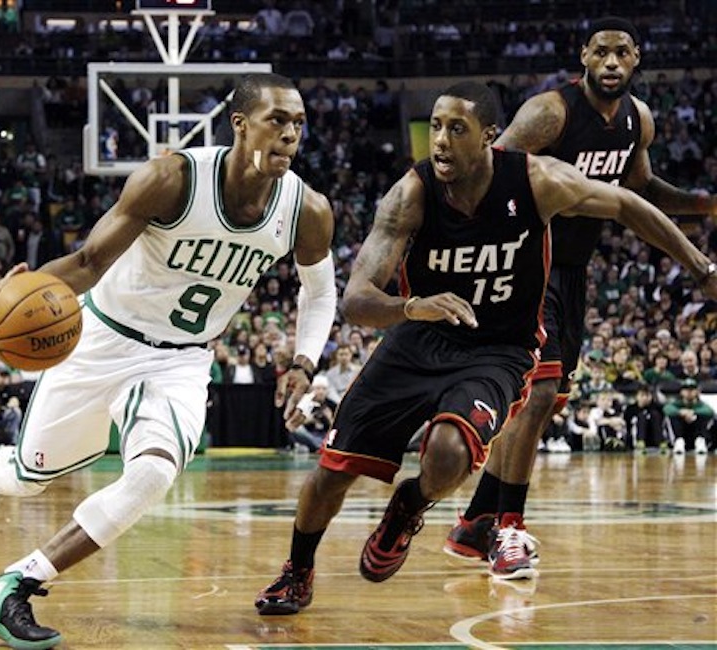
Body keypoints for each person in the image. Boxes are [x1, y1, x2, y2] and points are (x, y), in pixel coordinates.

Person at [254, 81, 717, 616]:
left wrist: (702, 268)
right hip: (417, 339)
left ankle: (411, 503)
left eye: (457, 129)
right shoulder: (411, 194)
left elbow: (627, 205)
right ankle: (298, 571)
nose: (442, 141)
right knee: (332, 471)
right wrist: (411, 307)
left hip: (498, 348)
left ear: (491, 138)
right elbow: (357, 297)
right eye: (436, 127)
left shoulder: (537, 181)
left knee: (450, 452)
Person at [0, 73, 336, 649]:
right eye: (277, 120)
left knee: (152, 473)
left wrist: (304, 361)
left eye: (298, 123)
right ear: (241, 124)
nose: (290, 134)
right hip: (103, 338)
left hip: (180, 361)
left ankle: (15, 585)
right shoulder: (173, 178)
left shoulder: (307, 209)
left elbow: (319, 291)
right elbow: (90, 259)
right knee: (29, 476)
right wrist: (12, 292)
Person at [444, 16, 717, 578]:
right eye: (601, 53)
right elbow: (489, 172)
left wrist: (704, 205)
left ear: (637, 58)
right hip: (525, 267)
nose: (612, 63)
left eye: (621, 53)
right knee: (538, 396)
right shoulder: (551, 112)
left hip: (572, 272)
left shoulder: (638, 122)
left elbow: (641, 192)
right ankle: (509, 532)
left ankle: (475, 523)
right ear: (584, 57)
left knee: (541, 405)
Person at [663, 378, 713, 455]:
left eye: (692, 389)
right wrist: (680, 412)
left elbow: (709, 411)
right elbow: (666, 409)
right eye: (686, 389)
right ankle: (678, 441)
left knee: (705, 416)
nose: (689, 392)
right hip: (681, 433)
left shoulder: (701, 404)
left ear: (697, 392)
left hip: (696, 433)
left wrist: (693, 412)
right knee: (671, 417)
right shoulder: (677, 403)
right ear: (681, 392)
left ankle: (701, 441)